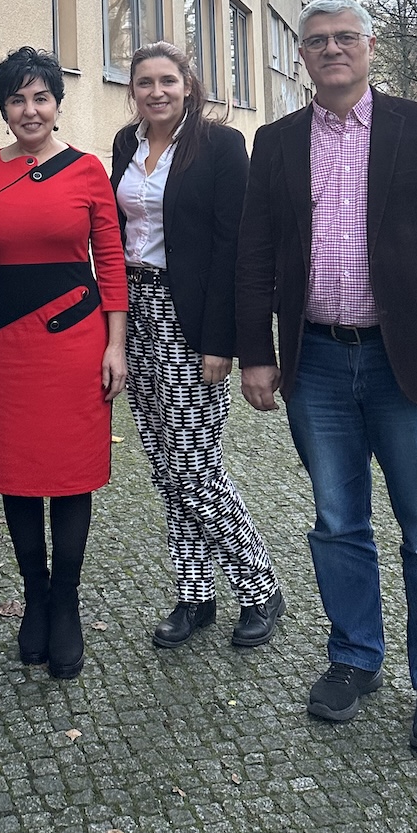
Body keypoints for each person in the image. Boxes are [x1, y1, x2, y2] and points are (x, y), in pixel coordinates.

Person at [237, 0, 417, 756]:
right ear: (302, 56)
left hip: (402, 360)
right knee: (337, 521)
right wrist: (258, 352)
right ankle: (354, 656)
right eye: (317, 41)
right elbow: (254, 256)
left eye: (345, 37)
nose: (332, 49)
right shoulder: (276, 141)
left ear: (370, 47)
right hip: (313, 361)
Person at [0, 47, 127, 679]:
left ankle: (67, 604)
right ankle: (34, 596)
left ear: (57, 103)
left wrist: (116, 344)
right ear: (3, 108)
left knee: (71, 472)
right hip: (2, 342)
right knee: (18, 472)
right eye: (17, 99)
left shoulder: (86, 172)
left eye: (41, 97)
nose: (30, 110)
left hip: (75, 341)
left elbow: (109, 261)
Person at [111, 43, 285, 651]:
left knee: (194, 466)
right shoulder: (124, 146)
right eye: (144, 83)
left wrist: (222, 342)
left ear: (189, 84)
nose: (155, 92)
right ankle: (194, 593)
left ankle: (260, 586)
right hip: (136, 314)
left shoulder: (220, 145)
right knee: (164, 465)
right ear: (132, 91)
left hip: (191, 319)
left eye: (167, 81)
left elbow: (232, 250)